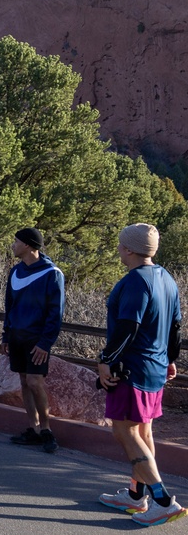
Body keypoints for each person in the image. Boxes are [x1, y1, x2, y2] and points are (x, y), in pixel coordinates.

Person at [97, 223, 185, 526]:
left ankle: (162, 501)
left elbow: (128, 327)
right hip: (156, 367)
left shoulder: (135, 282)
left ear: (130, 249)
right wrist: (171, 358)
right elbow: (175, 327)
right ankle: (135, 495)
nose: (119, 249)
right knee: (143, 431)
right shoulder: (167, 279)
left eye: (122, 244)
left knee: (125, 431)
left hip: (132, 369)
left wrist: (105, 359)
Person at [3, 227, 65, 453]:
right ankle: (34, 428)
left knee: (35, 382)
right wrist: (6, 335)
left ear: (28, 245)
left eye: (16, 241)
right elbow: (9, 306)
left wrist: (46, 343)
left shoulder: (52, 273)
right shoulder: (15, 272)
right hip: (17, 337)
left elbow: (55, 313)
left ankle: (47, 430)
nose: (13, 245)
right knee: (23, 381)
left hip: (37, 340)